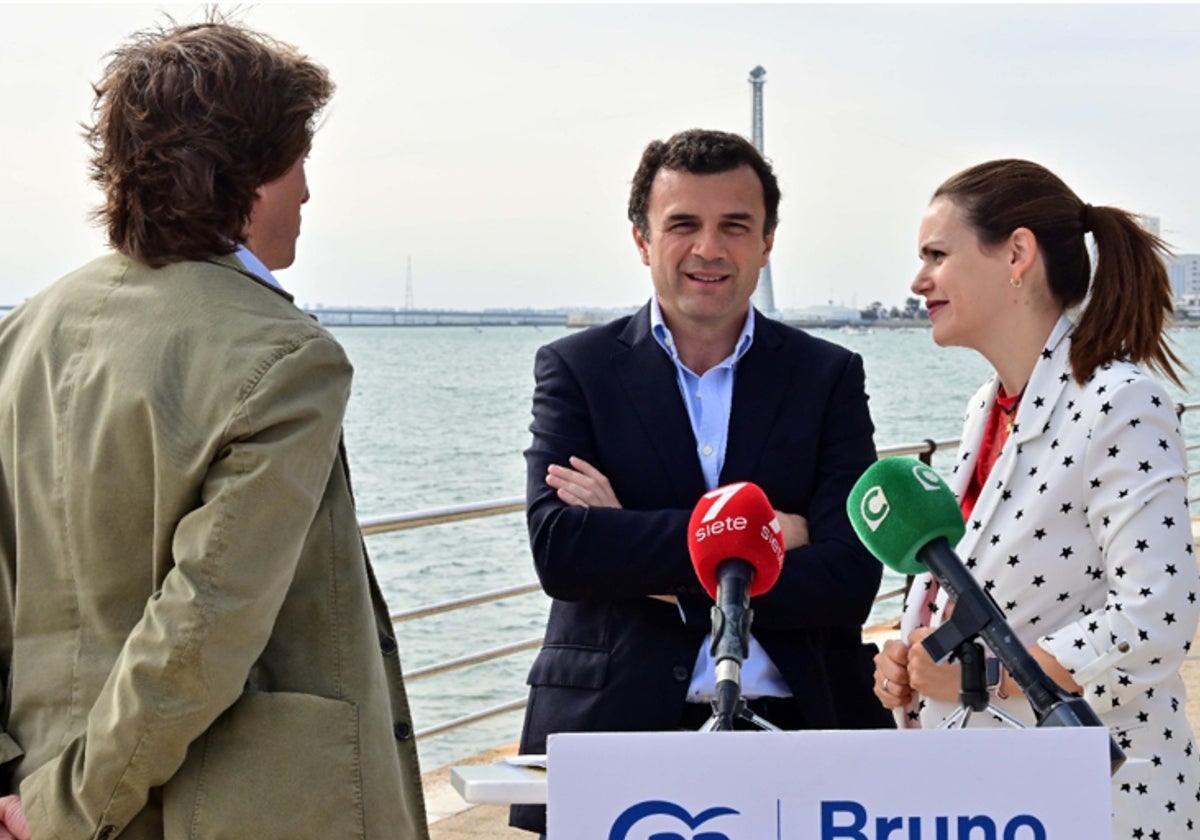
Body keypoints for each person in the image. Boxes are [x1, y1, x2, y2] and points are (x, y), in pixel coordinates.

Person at [0, 19, 429, 840]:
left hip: (33, 791)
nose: (307, 190)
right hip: (217, 810)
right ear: (248, 175)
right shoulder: (285, 356)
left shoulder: (24, 335)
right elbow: (205, 624)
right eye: (298, 158)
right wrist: (70, 807)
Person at [511, 128, 888, 835]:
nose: (709, 249)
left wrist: (632, 537)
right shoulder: (576, 370)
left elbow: (848, 579)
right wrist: (764, 539)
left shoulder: (827, 376)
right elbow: (562, 551)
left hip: (801, 731)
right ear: (642, 239)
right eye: (683, 224)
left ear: (767, 242)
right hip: (613, 736)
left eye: (734, 226)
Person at [877, 158, 1200, 838]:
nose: (918, 281)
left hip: (1098, 799)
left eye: (937, 254)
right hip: (992, 799)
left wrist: (982, 677)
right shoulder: (983, 411)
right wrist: (906, 660)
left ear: (1017, 255)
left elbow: (1157, 616)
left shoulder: (1121, 402)